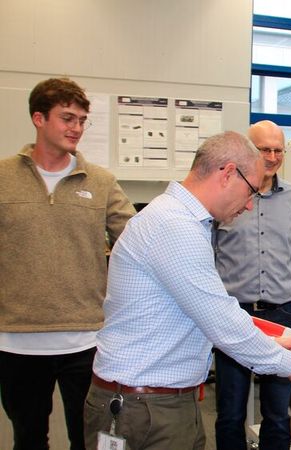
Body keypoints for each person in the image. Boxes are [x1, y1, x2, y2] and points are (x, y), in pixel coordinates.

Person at [84, 131, 291, 450]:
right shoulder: (175, 227)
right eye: (249, 192)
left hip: (162, 400)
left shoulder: (184, 221)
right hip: (145, 407)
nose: (250, 205)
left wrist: (275, 338)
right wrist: (288, 364)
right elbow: (220, 321)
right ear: (227, 174)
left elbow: (206, 309)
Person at [0, 77, 135, 450]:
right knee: (27, 439)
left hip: (85, 339)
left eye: (81, 120)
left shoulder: (102, 181)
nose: (76, 128)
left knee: (90, 439)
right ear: (38, 118)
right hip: (17, 340)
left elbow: (137, 241)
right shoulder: (3, 178)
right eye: (67, 118)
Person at [214, 120, 291, 449]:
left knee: (277, 411)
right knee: (230, 411)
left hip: (281, 317)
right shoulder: (226, 194)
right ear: (248, 150)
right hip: (235, 316)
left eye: (277, 150)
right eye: (264, 149)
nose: (272, 157)